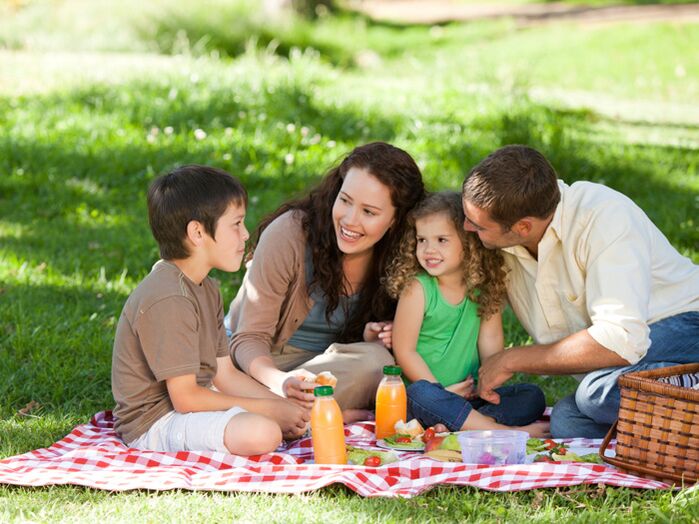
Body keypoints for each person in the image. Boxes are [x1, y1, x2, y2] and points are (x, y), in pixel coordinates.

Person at [461, 145, 699, 438]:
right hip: (626, 362)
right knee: (569, 421)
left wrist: (513, 358)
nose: (466, 227)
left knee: (596, 393)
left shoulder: (604, 217)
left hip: (687, 324)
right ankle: (680, 423)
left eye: (477, 225)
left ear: (523, 227)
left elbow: (621, 339)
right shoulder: (505, 240)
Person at [112, 165, 309, 455]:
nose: (245, 235)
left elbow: (225, 374)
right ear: (197, 232)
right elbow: (185, 399)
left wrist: (280, 405)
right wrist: (269, 410)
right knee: (263, 431)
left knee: (282, 417)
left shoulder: (206, 288)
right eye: (236, 224)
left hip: (193, 404)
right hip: (155, 422)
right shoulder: (169, 297)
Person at [226, 142, 426, 419]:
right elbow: (247, 338)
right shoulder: (290, 235)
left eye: (369, 212)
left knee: (378, 362)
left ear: (396, 219)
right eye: (344, 201)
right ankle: (315, 414)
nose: (350, 220)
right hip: (258, 364)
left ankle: (274, 413)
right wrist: (280, 383)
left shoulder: (407, 256)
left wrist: (379, 334)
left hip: (327, 372)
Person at [385, 191, 548, 436]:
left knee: (531, 396)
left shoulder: (484, 287)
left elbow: (491, 343)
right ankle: (501, 431)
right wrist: (440, 391)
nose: (428, 249)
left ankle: (464, 424)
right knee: (420, 394)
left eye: (441, 240)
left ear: (469, 243)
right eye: (421, 240)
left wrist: (487, 386)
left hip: (469, 397)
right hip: (427, 398)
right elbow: (404, 351)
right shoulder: (417, 289)